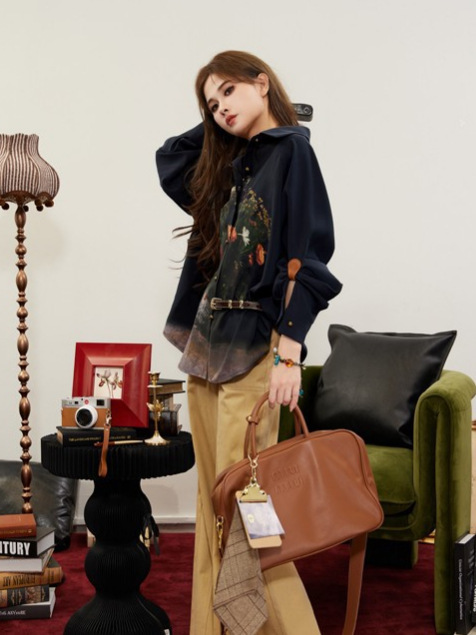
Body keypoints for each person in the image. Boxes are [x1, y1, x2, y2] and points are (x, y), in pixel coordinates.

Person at [156, 50, 342, 635]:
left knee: (249, 514)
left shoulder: (293, 153)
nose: (220, 109)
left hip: (256, 350)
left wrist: (289, 353)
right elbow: (170, 159)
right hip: (208, 348)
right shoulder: (233, 164)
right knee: (215, 511)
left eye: (230, 92)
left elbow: (307, 257)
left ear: (262, 82)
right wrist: (223, 123)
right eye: (212, 104)